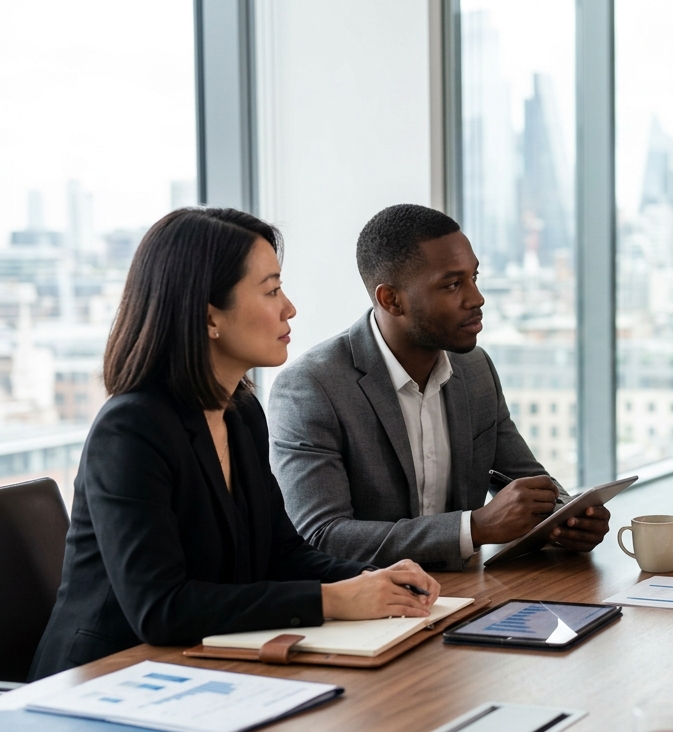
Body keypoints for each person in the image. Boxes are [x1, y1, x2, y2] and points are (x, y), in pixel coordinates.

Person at [31, 208, 439, 680]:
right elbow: (160, 606)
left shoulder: (241, 413)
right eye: (271, 290)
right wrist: (333, 600)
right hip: (104, 681)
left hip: (201, 668)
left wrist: (368, 579)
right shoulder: (130, 429)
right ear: (209, 318)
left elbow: (281, 553)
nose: (289, 308)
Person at [269, 204, 609, 571]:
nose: (476, 298)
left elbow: (526, 481)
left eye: (474, 277)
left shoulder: (474, 369)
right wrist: (473, 528)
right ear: (391, 300)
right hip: (367, 610)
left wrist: (568, 518)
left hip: (465, 596)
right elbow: (322, 535)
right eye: (452, 284)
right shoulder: (312, 387)